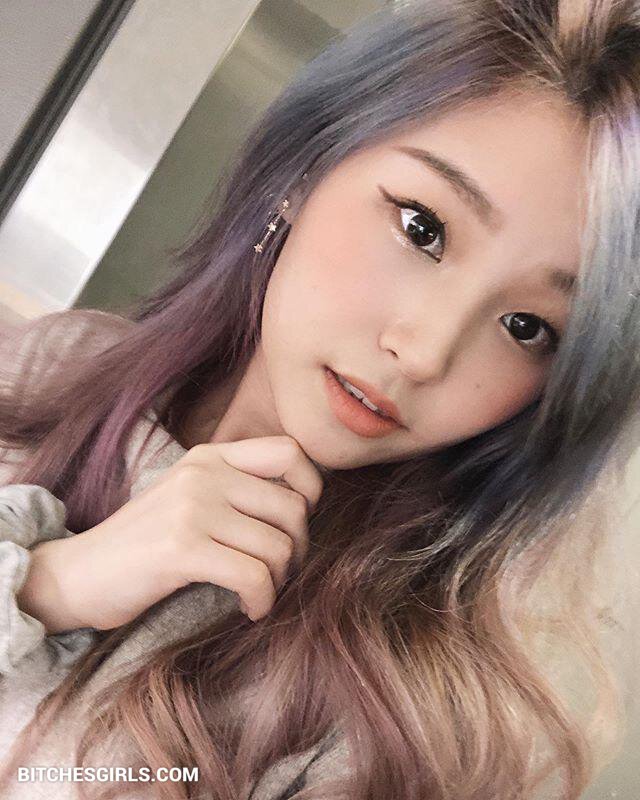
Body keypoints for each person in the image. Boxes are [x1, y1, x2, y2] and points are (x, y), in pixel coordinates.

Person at [0, 0, 639, 797]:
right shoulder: (44, 370)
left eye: (527, 327)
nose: (425, 352)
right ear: (306, 170)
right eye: (422, 228)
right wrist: (51, 587)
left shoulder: (405, 722)